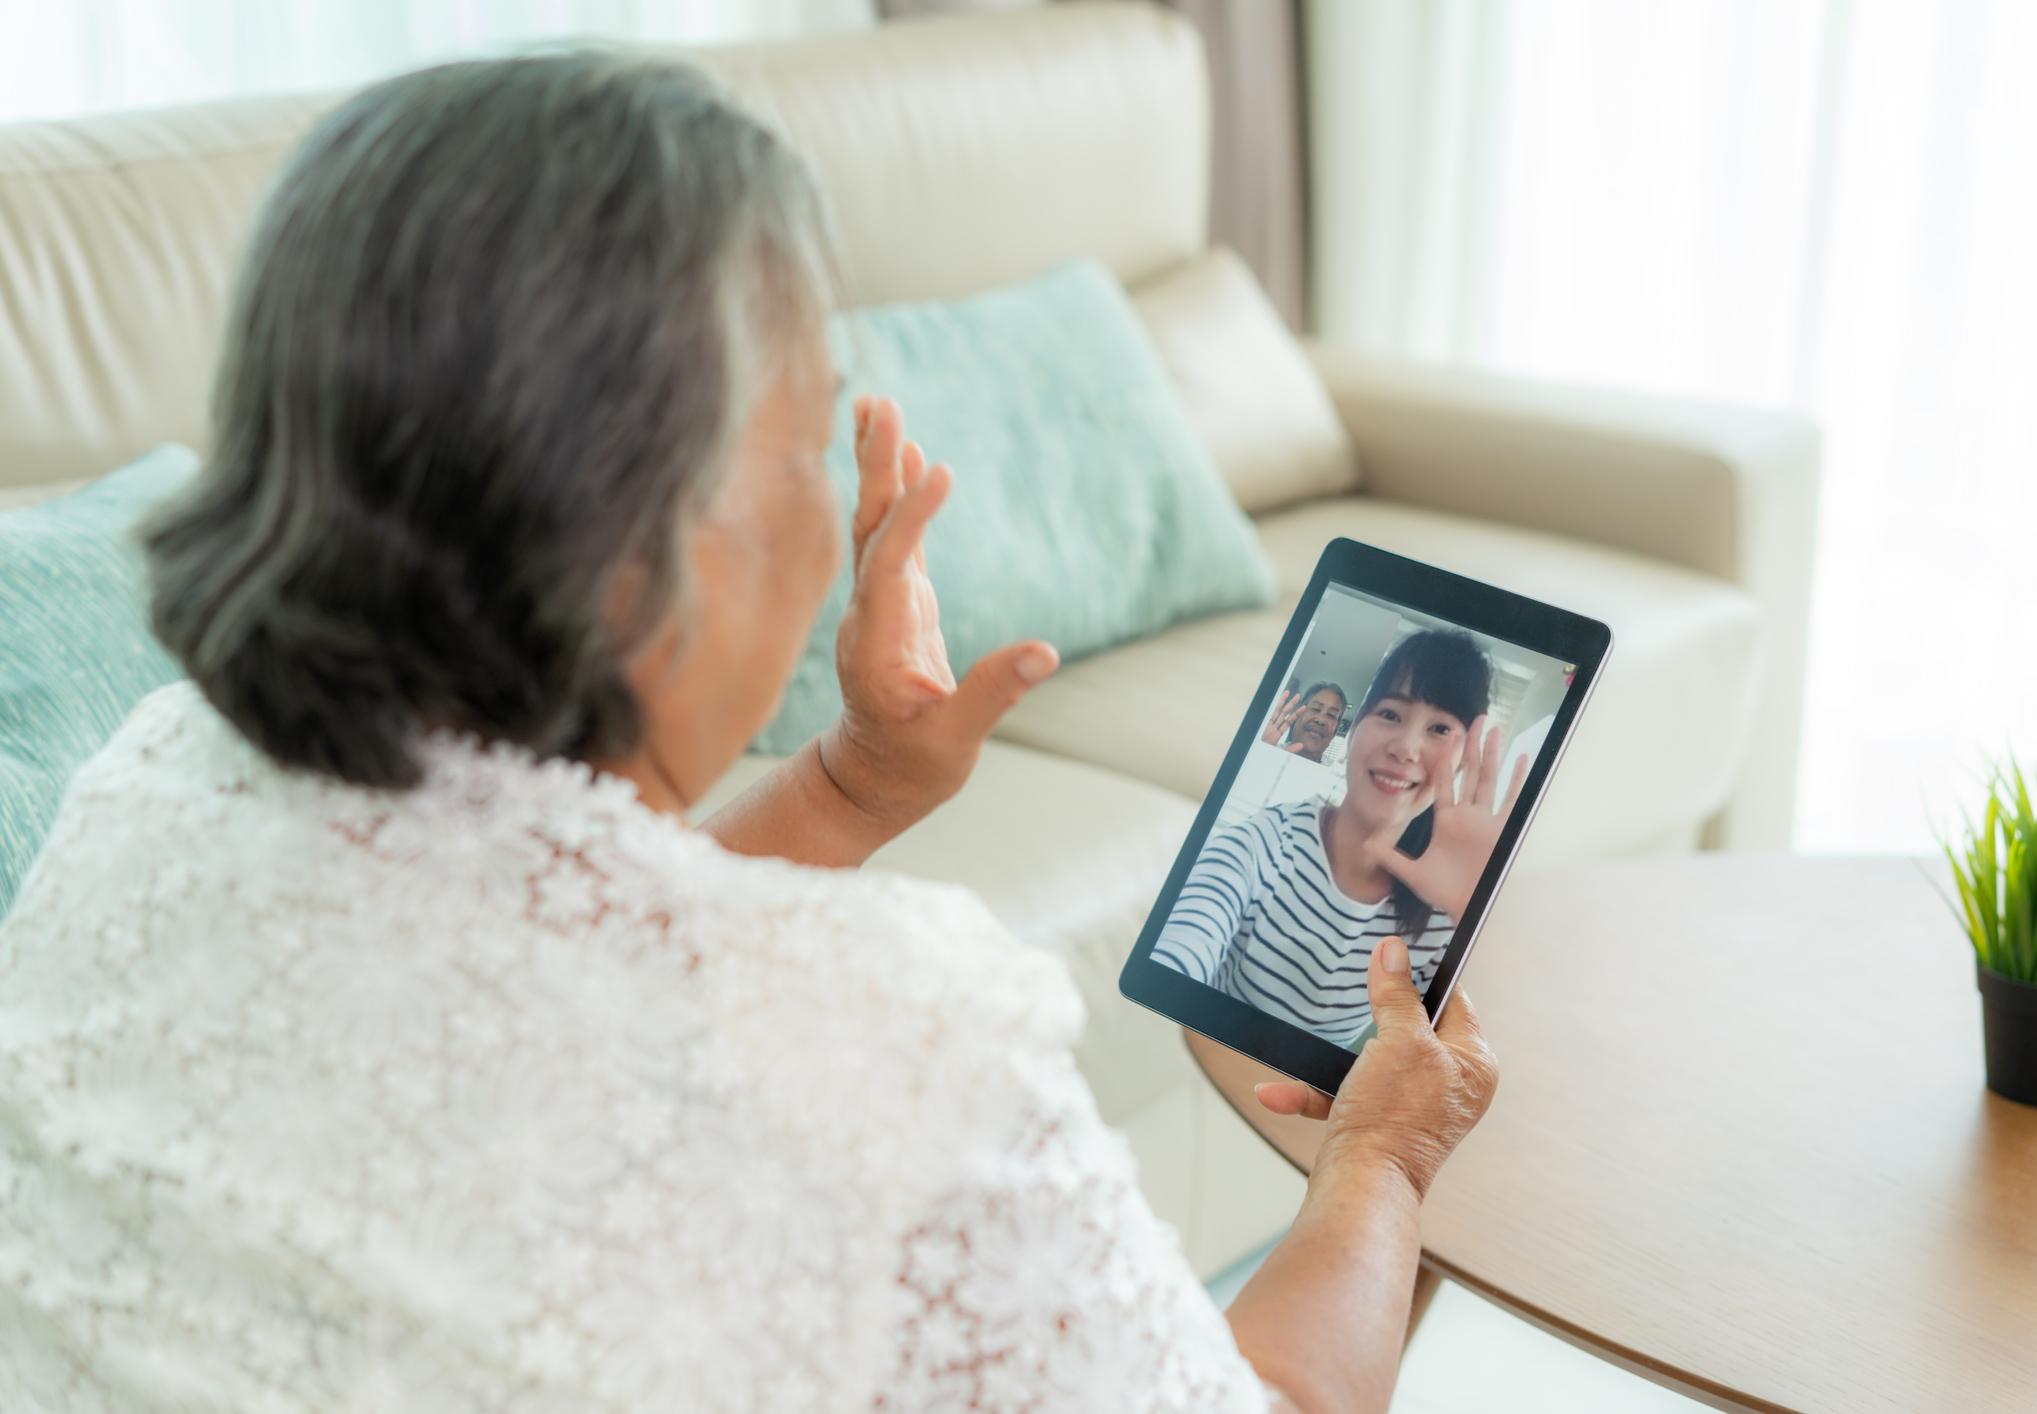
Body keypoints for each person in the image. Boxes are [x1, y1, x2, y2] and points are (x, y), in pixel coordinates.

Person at [0, 54, 1497, 1414]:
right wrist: (1378, 1161)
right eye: (803, 440)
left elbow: (523, 997)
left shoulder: (143, 783)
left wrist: (846, 786)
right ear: (628, 547)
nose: (830, 507)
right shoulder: (907, 1050)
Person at [1154, 630, 1529, 1048]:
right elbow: (1180, 949)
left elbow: (1459, 1054)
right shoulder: (1265, 843)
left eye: (1440, 728)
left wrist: (1470, 914)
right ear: (1354, 730)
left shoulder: (1444, 907)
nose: (1405, 748)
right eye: (1390, 714)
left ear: (1461, 764)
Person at [1260, 680, 1348, 761]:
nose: (1321, 720)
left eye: (1331, 715)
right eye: (1316, 709)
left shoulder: (1334, 775)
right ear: (1297, 715)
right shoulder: (1268, 752)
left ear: (1334, 733)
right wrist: (1260, 751)